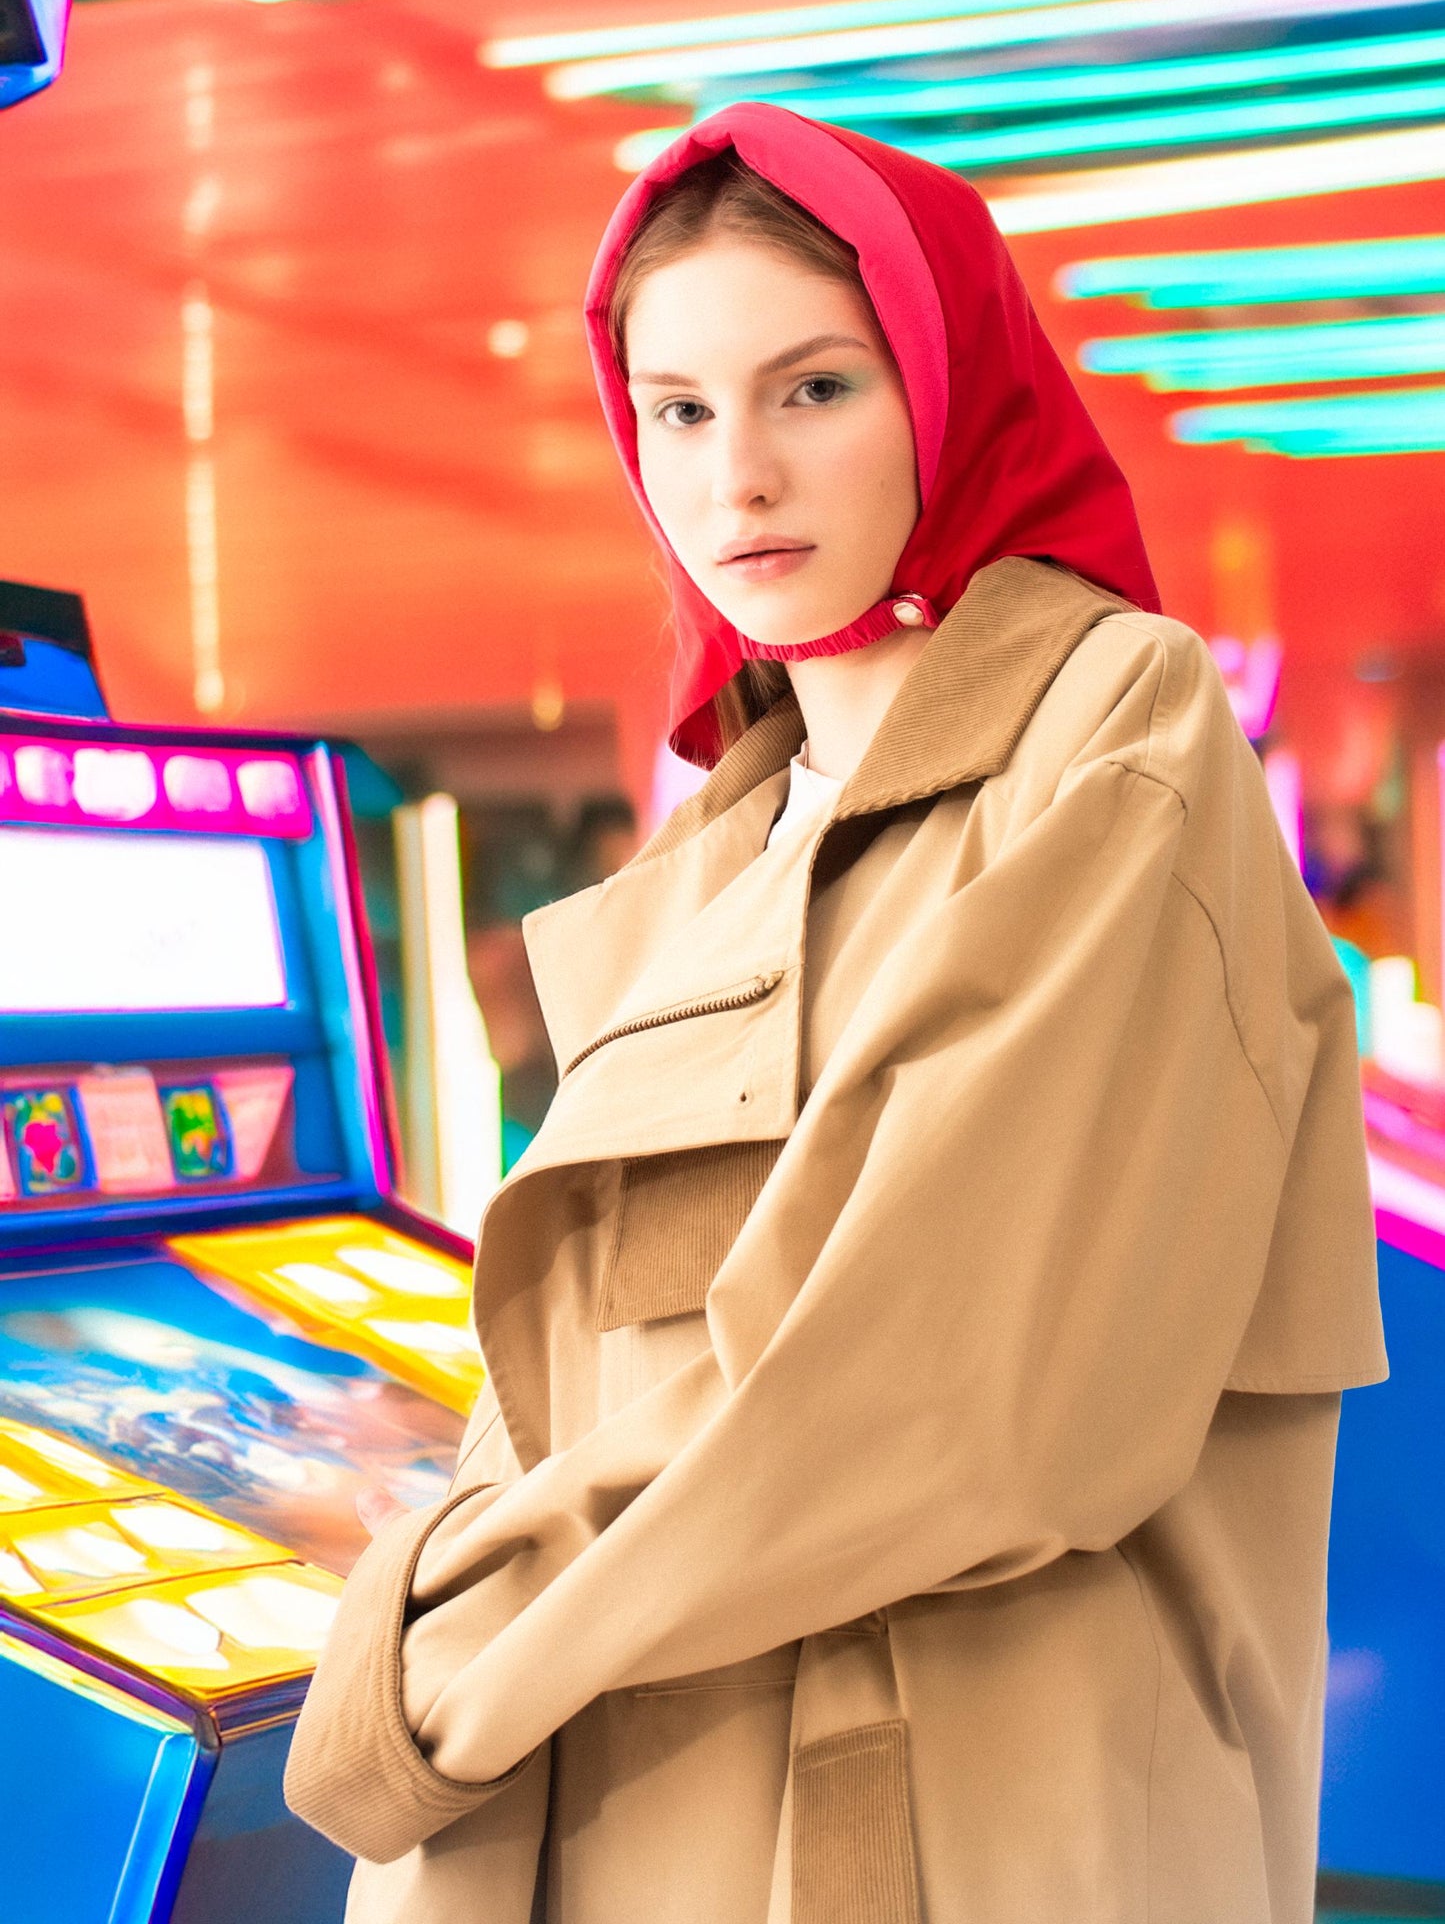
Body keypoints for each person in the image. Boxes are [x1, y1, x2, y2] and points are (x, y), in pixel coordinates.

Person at [285, 104, 1387, 1924]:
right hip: (631, 1791)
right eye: (681, 411)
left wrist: (423, 1658)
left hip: (956, 1826)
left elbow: (951, 1385)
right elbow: (576, 1375)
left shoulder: (1114, 721)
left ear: (947, 387)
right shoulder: (734, 833)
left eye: (814, 389)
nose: (739, 481)